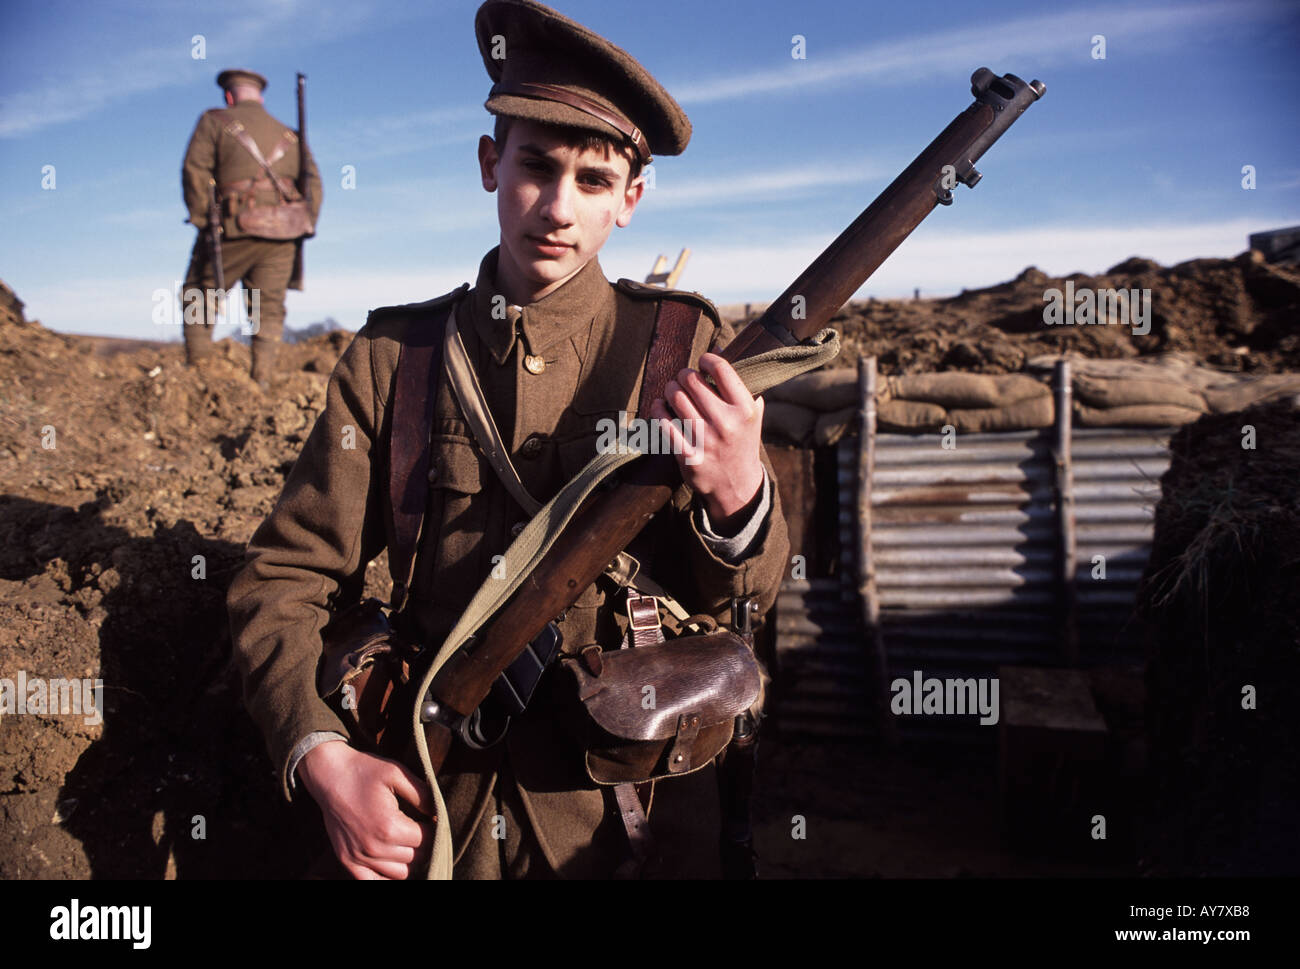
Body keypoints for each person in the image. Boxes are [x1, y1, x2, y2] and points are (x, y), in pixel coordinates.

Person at [227, 0, 789, 879]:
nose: (559, 207)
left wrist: (737, 495)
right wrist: (320, 755)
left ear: (631, 200)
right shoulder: (395, 359)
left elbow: (751, 597)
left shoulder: (683, 348)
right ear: (492, 164)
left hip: (629, 820)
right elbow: (285, 577)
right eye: (537, 165)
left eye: (595, 181)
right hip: (436, 810)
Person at [180, 68, 323, 386]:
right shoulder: (290, 135)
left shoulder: (214, 121)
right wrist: (304, 222)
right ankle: (262, 381)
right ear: (260, 96)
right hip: (284, 234)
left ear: (229, 96)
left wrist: (205, 221)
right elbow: (313, 183)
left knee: (199, 296)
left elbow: (195, 171)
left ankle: (199, 376)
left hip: (233, 228)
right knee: (267, 308)